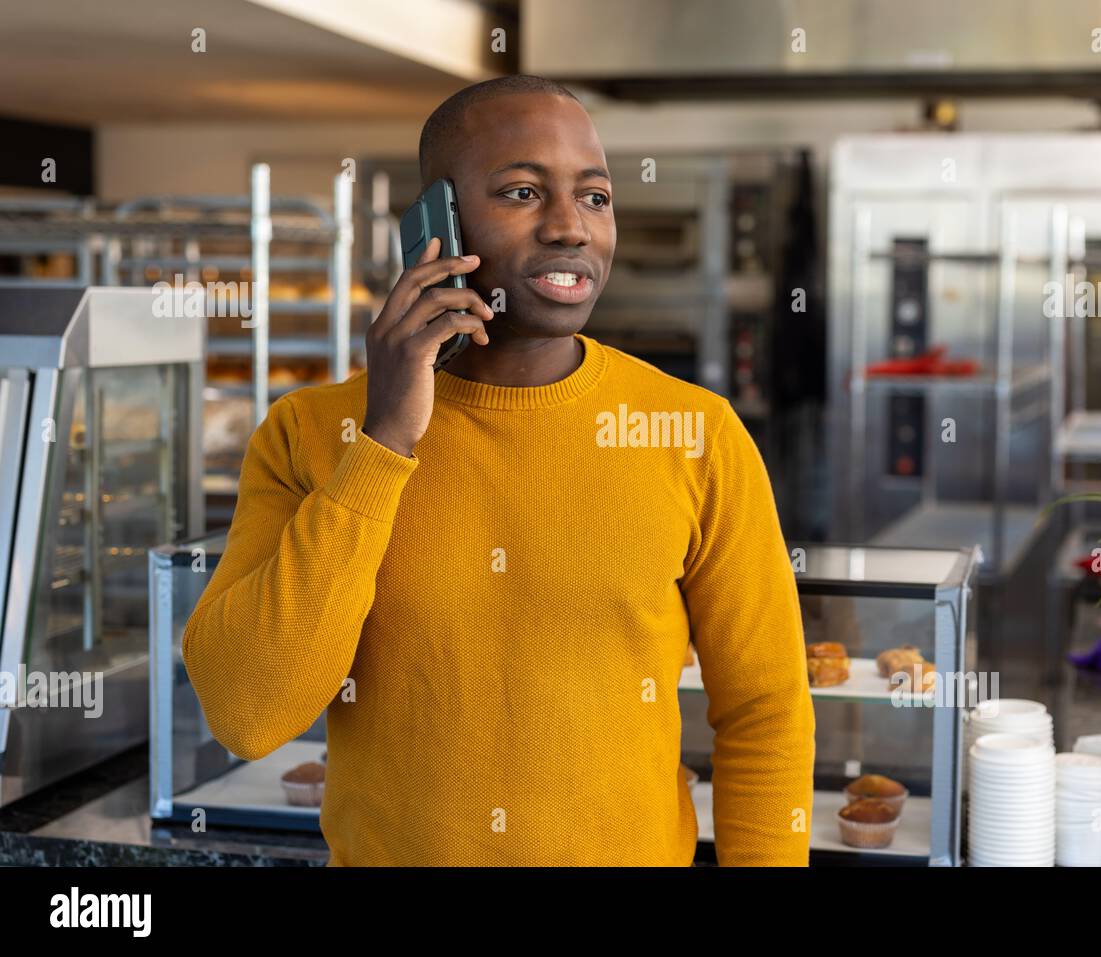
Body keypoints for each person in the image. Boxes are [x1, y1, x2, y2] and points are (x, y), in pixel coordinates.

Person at [183, 74, 815, 866]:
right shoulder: (308, 434)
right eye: (522, 191)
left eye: (595, 197)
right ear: (434, 225)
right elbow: (249, 711)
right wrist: (383, 443)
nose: (570, 228)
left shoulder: (696, 434)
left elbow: (766, 713)